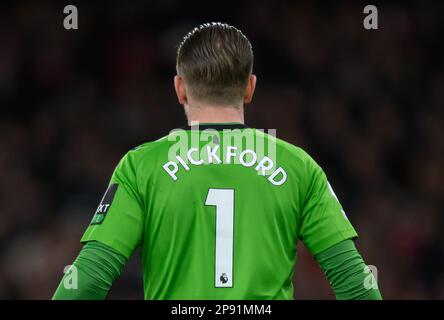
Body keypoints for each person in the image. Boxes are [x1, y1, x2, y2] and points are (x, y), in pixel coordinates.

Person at [53, 22, 382, 300]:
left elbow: (89, 279)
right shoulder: (298, 167)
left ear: (180, 89)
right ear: (250, 88)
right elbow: (355, 282)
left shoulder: (141, 167)